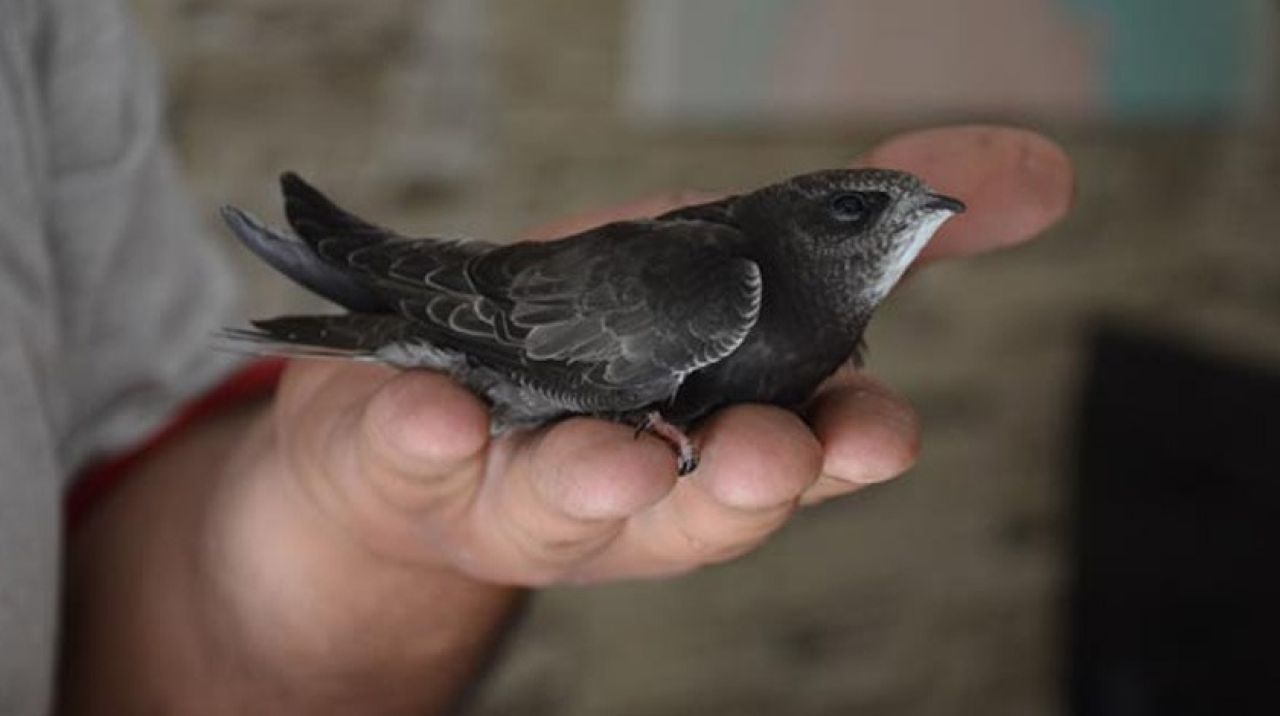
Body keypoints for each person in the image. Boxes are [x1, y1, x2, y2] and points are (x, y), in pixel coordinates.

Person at [0, 0, 1075, 712]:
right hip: (498, 324)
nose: (906, 222)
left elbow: (111, 484)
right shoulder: (717, 282)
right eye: (856, 213)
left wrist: (369, 537)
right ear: (800, 231)